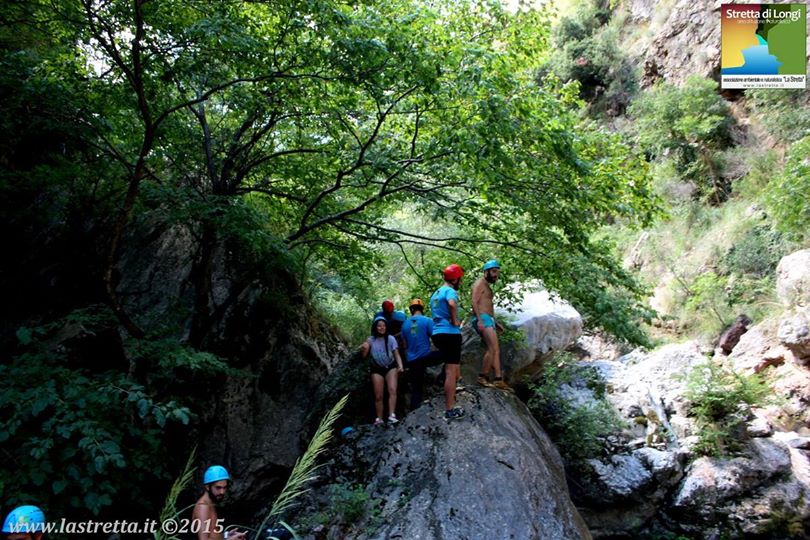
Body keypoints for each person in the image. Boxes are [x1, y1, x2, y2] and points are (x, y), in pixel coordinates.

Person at [430, 264, 465, 419]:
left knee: (450, 367)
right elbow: (451, 304)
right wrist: (455, 320)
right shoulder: (450, 291)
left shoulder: (436, 293)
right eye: (460, 279)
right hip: (450, 333)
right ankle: (450, 409)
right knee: (451, 371)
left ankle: (453, 386)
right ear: (455, 279)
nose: (461, 282)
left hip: (437, 333)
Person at [471, 260, 512, 391]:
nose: (496, 275)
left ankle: (498, 379)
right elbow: (474, 301)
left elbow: (487, 305)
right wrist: (479, 320)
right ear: (486, 271)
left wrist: (495, 322)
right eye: (494, 271)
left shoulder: (486, 285)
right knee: (492, 348)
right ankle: (482, 377)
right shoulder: (480, 283)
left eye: (497, 272)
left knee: (495, 349)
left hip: (488, 319)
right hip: (483, 318)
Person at [361, 316, 404, 425]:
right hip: (376, 368)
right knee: (378, 396)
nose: (382, 328)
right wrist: (365, 348)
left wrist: (400, 365)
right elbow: (364, 356)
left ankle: (391, 415)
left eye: (384, 325)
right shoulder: (370, 340)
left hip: (390, 366)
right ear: (375, 327)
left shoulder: (390, 339)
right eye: (379, 326)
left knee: (392, 390)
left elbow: (396, 354)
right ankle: (379, 419)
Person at [401, 298, 443, 409]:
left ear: (411, 310)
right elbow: (436, 338)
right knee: (449, 354)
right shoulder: (427, 321)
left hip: (412, 361)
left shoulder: (404, 324)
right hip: (425, 357)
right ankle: (441, 378)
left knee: (417, 388)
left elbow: (404, 345)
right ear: (422, 309)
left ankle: (413, 411)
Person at [192, 466, 246, 540]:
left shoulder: (210, 503)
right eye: (218, 488)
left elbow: (212, 534)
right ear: (207, 487)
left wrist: (226, 535)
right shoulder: (203, 507)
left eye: (225, 487)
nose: (222, 492)